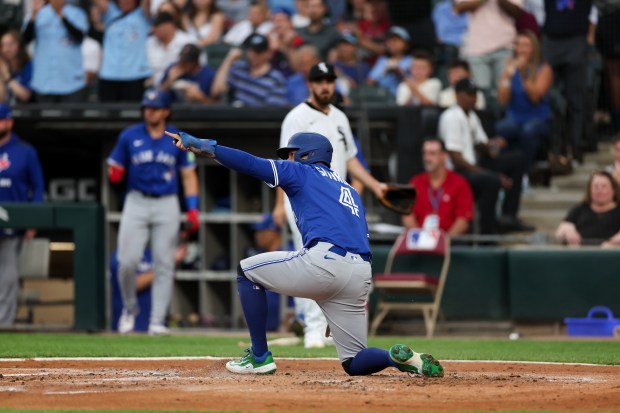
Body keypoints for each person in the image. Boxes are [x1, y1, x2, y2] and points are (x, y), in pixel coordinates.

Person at [167, 129, 444, 377]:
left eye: (290, 154)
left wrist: (208, 147)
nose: (287, 160)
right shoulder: (348, 189)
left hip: (326, 263)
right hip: (360, 273)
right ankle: (395, 358)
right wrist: (333, 295)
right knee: (354, 361)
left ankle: (259, 358)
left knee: (246, 271)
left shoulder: (302, 172)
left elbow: (252, 164)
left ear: (307, 154)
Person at [275, 62, 387, 348]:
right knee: (311, 259)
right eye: (320, 80)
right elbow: (285, 164)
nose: (326, 85)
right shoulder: (296, 117)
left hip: (334, 200)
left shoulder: (339, 117)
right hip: (303, 199)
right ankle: (312, 327)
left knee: (334, 259)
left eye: (330, 80)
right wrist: (279, 203)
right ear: (310, 84)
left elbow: (351, 160)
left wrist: (375, 186)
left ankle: (330, 324)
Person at [107, 89, 200, 335]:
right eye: (148, 107)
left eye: (156, 107)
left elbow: (188, 174)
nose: (151, 111)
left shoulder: (178, 137)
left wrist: (192, 208)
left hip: (167, 202)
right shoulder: (130, 135)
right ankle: (129, 307)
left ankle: (157, 320)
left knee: (164, 263)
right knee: (125, 261)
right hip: (136, 200)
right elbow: (114, 164)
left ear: (166, 111)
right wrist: (114, 172)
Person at [438, 78, 532, 234]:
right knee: (492, 180)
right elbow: (457, 159)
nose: (473, 98)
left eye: (474, 94)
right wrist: (491, 174)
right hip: (458, 171)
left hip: (474, 164)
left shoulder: (471, 116)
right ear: (458, 95)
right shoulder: (451, 117)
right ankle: (488, 230)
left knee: (518, 158)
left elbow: (481, 145)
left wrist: (494, 144)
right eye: (469, 94)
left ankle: (509, 216)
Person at [0, 103, 45, 326]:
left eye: (1, 120)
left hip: (13, 221)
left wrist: (32, 219)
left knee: (8, 274)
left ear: (9, 121)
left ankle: (4, 322)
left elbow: (37, 187)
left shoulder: (24, 150)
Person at [496, 30, 553, 171]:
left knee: (528, 131)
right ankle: (505, 171)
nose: (522, 50)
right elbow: (502, 100)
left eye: (526, 46)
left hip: (538, 118)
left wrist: (522, 74)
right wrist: (508, 76)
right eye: (519, 45)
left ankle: (525, 172)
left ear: (534, 48)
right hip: (515, 117)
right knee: (501, 128)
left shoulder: (544, 69)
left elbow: (535, 97)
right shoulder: (510, 69)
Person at [453, 0, 523, 101]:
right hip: (478, 48)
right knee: (481, 94)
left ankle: (503, 116)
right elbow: (459, 8)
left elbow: (517, 12)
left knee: (504, 91)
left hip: (504, 46)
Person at [402, 137, 474, 236]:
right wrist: (420, 238)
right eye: (425, 153)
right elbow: (407, 217)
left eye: (432, 153)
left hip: (451, 244)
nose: (427, 158)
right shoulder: (415, 183)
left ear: (444, 156)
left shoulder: (459, 183)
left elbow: (463, 221)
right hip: (420, 244)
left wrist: (444, 242)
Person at [21, 0, 89, 103]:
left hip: (71, 82)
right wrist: (34, 14)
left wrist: (60, 14)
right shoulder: (38, 13)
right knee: (45, 118)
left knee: (71, 118)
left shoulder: (77, 13)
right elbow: (25, 40)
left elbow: (79, 37)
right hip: (44, 83)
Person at [90, 0, 152, 102]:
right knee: (106, 114)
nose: (124, 1)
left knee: (132, 114)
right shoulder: (110, 13)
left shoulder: (143, 15)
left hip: (135, 75)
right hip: (108, 74)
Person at [210, 33, 288, 106]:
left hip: (258, 118)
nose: (252, 55)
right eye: (250, 50)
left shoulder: (276, 78)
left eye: (257, 51)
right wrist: (229, 59)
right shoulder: (239, 68)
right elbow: (216, 90)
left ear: (267, 53)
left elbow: (272, 111)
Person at [555, 171, 620, 247]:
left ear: (613, 190)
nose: (599, 190)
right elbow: (560, 231)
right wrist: (568, 231)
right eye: (595, 186)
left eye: (604, 186)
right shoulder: (580, 209)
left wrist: (613, 243)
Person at [146, 11, 195, 86]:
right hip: (156, 87)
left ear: (169, 25)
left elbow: (199, 65)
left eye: (156, 26)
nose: (153, 29)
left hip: (182, 84)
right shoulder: (150, 42)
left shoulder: (188, 41)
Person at [367, 26, 412, 97]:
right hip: (383, 99)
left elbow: (417, 84)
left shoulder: (412, 60)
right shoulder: (382, 60)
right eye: (390, 40)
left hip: (404, 100)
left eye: (396, 40)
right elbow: (369, 82)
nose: (392, 43)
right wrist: (384, 71)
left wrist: (399, 73)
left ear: (406, 44)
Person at [0, 30, 33, 104]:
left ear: (20, 46)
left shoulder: (28, 66)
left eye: (11, 44)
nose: (6, 48)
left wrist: (8, 78)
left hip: (25, 112)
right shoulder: (2, 66)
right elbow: (1, 100)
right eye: (3, 45)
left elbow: (26, 96)